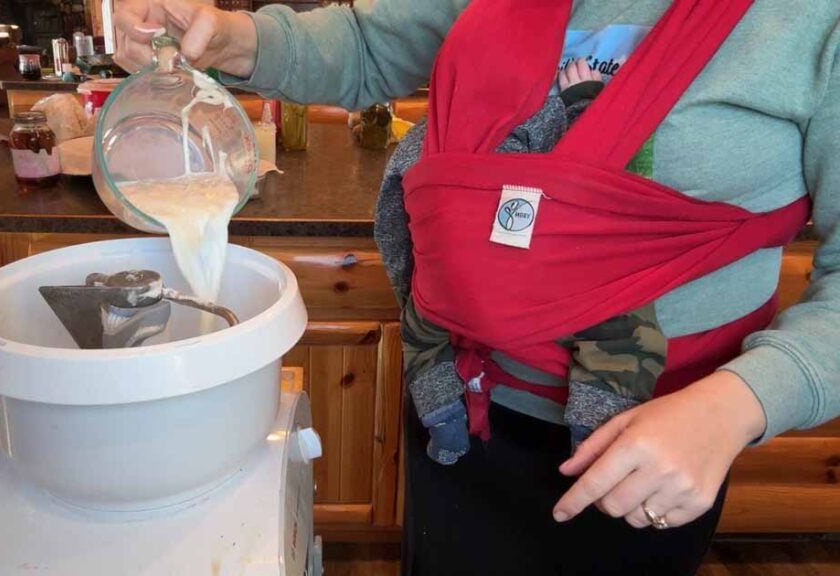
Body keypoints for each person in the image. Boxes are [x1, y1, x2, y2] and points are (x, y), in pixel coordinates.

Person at [113, 1, 840, 575]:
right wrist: (228, 37)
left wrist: (737, 405)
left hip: (644, 451)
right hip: (455, 412)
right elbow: (369, 46)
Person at [391, 58, 668, 465]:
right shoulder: (549, 117)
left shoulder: (438, 129)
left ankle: (442, 417)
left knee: (421, 328)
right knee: (621, 326)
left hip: (458, 264)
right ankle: (595, 436)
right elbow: (602, 178)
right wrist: (586, 103)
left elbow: (407, 191)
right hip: (539, 259)